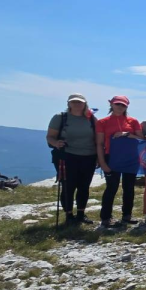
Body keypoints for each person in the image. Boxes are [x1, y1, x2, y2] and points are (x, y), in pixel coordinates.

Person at [47, 93, 98, 226]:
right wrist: (56, 143)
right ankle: (69, 215)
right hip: (66, 156)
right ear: (68, 103)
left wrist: (99, 156)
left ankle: (80, 214)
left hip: (89, 156)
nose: (77, 104)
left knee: (84, 186)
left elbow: (98, 139)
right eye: (74, 102)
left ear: (84, 104)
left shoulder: (92, 119)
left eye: (79, 102)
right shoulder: (61, 118)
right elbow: (50, 137)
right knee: (68, 186)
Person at [96, 95, 144, 227]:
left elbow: (141, 139)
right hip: (111, 157)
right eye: (117, 104)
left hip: (131, 157)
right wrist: (102, 163)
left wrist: (127, 134)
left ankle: (127, 215)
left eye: (123, 105)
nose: (120, 107)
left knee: (129, 188)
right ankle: (105, 217)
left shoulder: (133, 121)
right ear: (111, 104)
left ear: (126, 106)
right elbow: (99, 144)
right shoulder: (102, 122)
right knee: (111, 187)